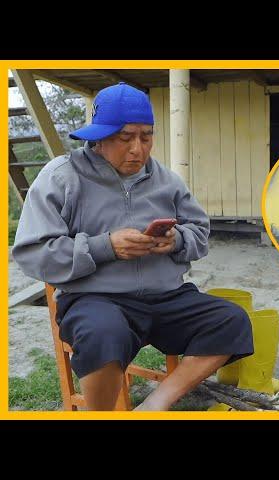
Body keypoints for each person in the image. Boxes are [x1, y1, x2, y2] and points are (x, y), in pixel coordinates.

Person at [12, 82, 253, 411]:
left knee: (232, 320)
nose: (138, 149)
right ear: (99, 137)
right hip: (95, 299)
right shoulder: (61, 177)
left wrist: (176, 240)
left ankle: (152, 407)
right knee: (103, 334)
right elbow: (33, 253)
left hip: (166, 297)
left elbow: (200, 233)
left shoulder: (166, 180)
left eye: (146, 136)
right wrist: (105, 246)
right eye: (125, 138)